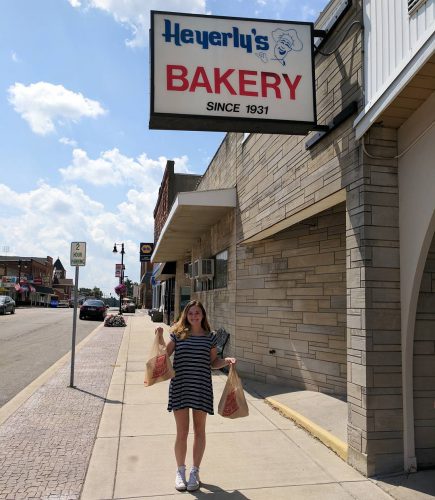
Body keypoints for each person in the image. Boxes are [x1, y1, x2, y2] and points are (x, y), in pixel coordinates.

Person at [155, 300, 236, 492]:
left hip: (201, 387)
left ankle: (195, 472)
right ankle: (180, 472)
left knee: (200, 432)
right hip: (181, 386)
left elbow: (213, 362)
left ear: (203, 315)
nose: (194, 316)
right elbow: (163, 356)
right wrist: (159, 337)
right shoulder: (177, 334)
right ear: (186, 315)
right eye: (190, 313)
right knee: (182, 432)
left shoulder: (210, 337)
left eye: (197, 313)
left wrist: (226, 361)